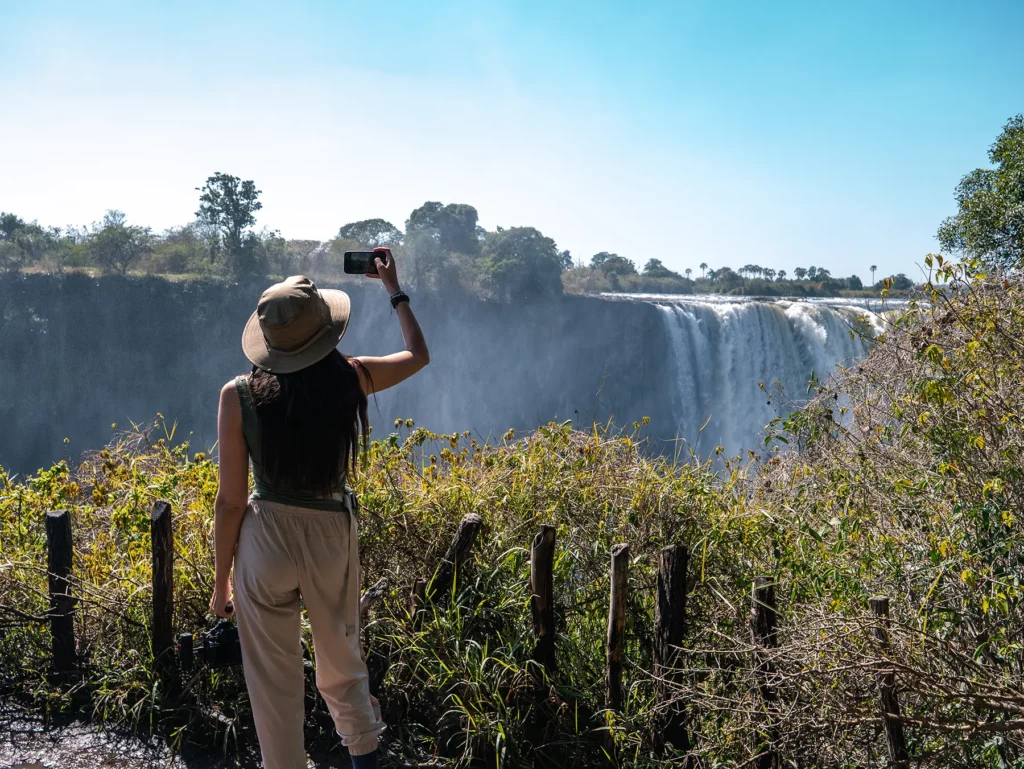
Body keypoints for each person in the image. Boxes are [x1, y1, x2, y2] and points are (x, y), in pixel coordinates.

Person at [209, 248, 428, 769]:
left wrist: (222, 582)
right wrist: (393, 290)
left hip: (265, 540)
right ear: (323, 329)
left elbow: (231, 500)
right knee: (342, 666)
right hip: (330, 532)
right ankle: (364, 760)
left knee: (272, 682)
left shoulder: (237, 394)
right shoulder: (349, 376)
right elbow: (418, 355)